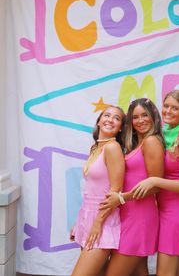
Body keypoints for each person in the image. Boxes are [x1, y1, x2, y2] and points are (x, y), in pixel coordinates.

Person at [132, 90, 179, 276]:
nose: (168, 111)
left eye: (175, 108)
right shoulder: (162, 136)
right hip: (161, 210)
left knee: (165, 272)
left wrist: (155, 181)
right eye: (166, 106)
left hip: (178, 211)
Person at [100, 98, 165, 276]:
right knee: (139, 271)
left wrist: (121, 198)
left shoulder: (151, 141)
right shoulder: (136, 144)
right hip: (128, 215)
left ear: (153, 117)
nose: (140, 120)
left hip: (140, 218)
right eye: (135, 117)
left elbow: (155, 185)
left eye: (145, 115)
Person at [70, 105, 126, 276]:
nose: (110, 119)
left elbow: (115, 192)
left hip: (103, 221)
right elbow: (91, 189)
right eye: (107, 115)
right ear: (99, 121)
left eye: (116, 118)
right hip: (87, 217)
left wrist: (97, 223)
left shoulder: (112, 148)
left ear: (121, 127)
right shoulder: (96, 148)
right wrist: (79, 223)